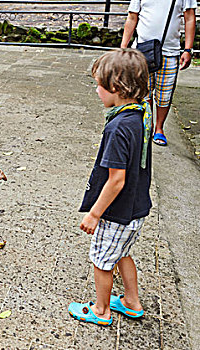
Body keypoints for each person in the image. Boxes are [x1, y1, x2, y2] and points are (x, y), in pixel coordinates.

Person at [68, 49, 153, 326]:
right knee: (122, 254)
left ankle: (101, 311)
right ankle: (131, 303)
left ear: (116, 88)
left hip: (117, 213)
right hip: (136, 209)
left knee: (102, 260)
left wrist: (94, 213)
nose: (96, 91)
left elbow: (116, 179)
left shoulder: (118, 128)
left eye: (99, 86)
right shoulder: (141, 113)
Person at [121, 0, 196, 146]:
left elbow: (189, 17)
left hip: (169, 51)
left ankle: (159, 128)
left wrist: (188, 49)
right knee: (144, 92)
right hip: (143, 49)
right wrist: (123, 46)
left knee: (164, 94)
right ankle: (146, 125)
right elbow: (132, 17)